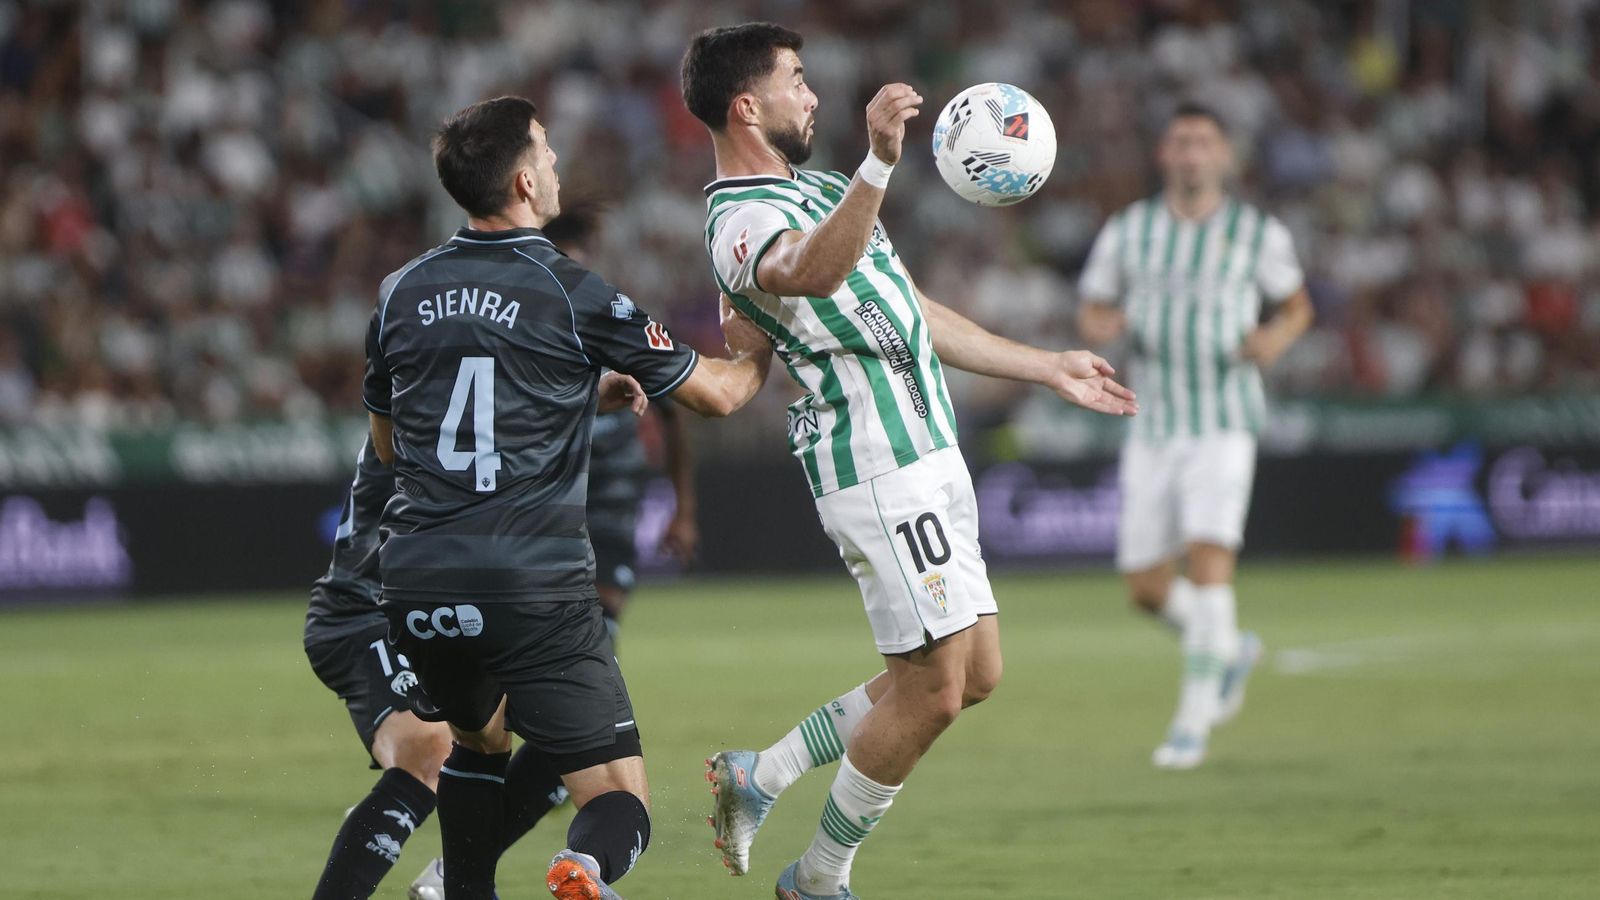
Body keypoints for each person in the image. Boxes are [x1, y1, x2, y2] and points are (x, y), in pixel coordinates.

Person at [679, 22, 1137, 900]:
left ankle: (761, 773)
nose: (812, 95)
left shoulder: (820, 190)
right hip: (875, 467)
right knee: (932, 693)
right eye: (795, 80)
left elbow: (913, 310)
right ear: (747, 107)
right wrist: (879, 164)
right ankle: (818, 879)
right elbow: (807, 272)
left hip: (931, 453)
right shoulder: (740, 219)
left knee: (976, 674)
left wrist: (1046, 367)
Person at [364, 95, 772, 900]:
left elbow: (391, 446)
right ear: (523, 181)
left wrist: (572, 395)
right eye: (546, 151)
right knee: (620, 799)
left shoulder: (399, 290)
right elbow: (719, 396)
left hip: (416, 580)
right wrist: (761, 337)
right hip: (531, 582)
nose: (555, 164)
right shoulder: (571, 288)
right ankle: (582, 870)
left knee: (480, 744)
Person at [1076, 101, 1314, 769]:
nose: (1191, 154)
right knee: (1145, 588)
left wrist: (1274, 339)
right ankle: (1230, 650)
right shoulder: (1131, 230)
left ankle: (1192, 723)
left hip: (1224, 420)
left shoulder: (1255, 232)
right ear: (1164, 155)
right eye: (1180, 142)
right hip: (1152, 421)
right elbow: (1093, 306)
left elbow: (1297, 307)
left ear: (1224, 156)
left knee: (1210, 565)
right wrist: (1100, 327)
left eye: (1203, 142)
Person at [304, 438, 572, 900]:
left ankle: (451, 874)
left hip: (459, 610)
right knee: (428, 751)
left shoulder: (483, 410)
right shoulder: (422, 407)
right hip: (370, 610)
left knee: (569, 721)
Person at [541, 201, 700, 641]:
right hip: (553, 497)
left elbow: (674, 416)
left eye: (577, 262)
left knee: (604, 619)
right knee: (552, 625)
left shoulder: (617, 323)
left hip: (612, 492)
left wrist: (684, 512)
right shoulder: (530, 332)